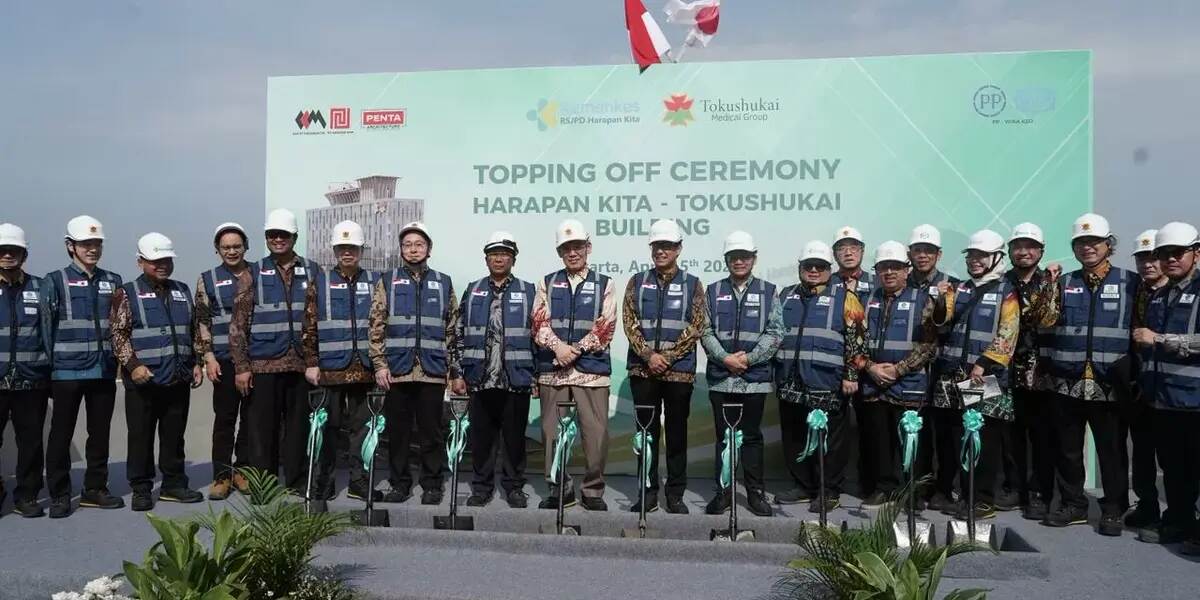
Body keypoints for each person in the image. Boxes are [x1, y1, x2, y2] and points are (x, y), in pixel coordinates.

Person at [1036, 212, 1138, 536]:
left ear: (1108, 245)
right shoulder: (1064, 282)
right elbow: (1043, 320)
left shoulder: (1130, 282)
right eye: (1080, 243)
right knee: (1067, 448)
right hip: (1068, 381)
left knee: (1111, 450)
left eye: (1094, 242)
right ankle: (1073, 505)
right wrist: (1049, 284)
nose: (1087, 248)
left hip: (1109, 383)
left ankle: (1113, 509)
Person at [929, 230, 1020, 520]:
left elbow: (1009, 333)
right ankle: (961, 495)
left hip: (984, 377)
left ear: (996, 258)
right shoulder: (961, 288)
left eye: (981, 256)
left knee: (984, 439)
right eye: (971, 255)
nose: (975, 261)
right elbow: (942, 322)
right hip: (953, 374)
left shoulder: (1007, 291)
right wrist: (941, 300)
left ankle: (981, 499)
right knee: (957, 439)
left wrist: (984, 363)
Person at [110, 233, 204, 511]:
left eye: (166, 259)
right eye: (155, 260)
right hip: (143, 380)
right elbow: (118, 334)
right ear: (141, 262)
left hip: (177, 376)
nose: (162, 264)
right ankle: (141, 488)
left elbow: (193, 330)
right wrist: (132, 365)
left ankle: (174, 484)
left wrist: (197, 361)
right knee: (140, 436)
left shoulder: (182, 291)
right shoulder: (126, 293)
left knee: (174, 435)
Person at [229, 208, 320, 494]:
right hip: (262, 367)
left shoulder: (313, 270)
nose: (278, 239)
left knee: (297, 430)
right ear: (267, 238)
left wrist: (314, 361)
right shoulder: (252, 273)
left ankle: (295, 484)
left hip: (300, 367)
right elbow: (238, 325)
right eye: (272, 235)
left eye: (283, 234)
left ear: (294, 236)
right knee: (261, 432)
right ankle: (263, 487)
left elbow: (318, 320)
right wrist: (242, 367)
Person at [774, 240, 867, 513]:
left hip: (827, 382)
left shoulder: (846, 297)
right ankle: (803, 486)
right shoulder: (786, 295)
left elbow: (858, 340)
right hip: (790, 381)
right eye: (808, 266)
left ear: (830, 269)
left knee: (831, 442)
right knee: (794, 437)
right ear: (800, 268)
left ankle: (829, 491)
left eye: (820, 266)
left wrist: (851, 374)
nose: (813, 270)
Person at [369, 221, 457, 505]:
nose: (413, 249)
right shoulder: (387, 280)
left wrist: (452, 367)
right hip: (397, 370)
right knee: (399, 433)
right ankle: (400, 483)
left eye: (419, 244)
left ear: (429, 249)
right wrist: (380, 364)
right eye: (407, 245)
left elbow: (452, 328)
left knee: (432, 432)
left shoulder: (444, 282)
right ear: (401, 250)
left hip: (432, 370)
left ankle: (432, 484)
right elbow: (376, 325)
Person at [43, 215, 125, 518]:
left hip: (102, 371)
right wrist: (49, 370)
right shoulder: (54, 281)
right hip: (65, 373)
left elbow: (119, 326)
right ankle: (60, 494)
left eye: (96, 243)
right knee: (61, 435)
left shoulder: (113, 280)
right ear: (70, 246)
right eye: (85, 244)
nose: (92, 249)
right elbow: (45, 328)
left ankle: (94, 489)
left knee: (99, 434)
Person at [532, 219, 617, 511]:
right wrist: (558, 347)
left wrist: (575, 350)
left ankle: (592, 492)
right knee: (551, 434)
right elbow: (538, 322)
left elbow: (606, 327)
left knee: (595, 435)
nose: (572, 253)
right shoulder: (546, 282)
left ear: (588, 248)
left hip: (591, 373)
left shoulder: (605, 284)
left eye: (577, 246)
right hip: (553, 372)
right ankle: (559, 490)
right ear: (559, 252)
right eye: (566, 248)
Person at [622, 219, 705, 514]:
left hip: (678, 372)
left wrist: (667, 357)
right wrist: (648, 355)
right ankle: (647, 492)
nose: (661, 251)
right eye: (657, 246)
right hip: (643, 371)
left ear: (679, 248)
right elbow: (629, 323)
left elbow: (696, 325)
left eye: (667, 246)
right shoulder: (636, 281)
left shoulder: (693, 284)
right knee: (645, 435)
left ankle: (675, 494)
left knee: (677, 433)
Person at [451, 232, 536, 509]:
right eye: (494, 254)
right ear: (486, 258)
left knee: (514, 440)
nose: (499, 258)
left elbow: (538, 335)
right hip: (480, 378)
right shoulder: (473, 290)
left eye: (505, 254)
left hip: (516, 378)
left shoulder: (529, 291)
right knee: (481, 439)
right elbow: (458, 332)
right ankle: (482, 488)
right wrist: (457, 372)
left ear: (513, 259)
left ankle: (514, 488)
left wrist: (536, 375)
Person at [700, 231, 782, 517]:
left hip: (754, 380)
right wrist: (725, 359)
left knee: (751, 438)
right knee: (723, 438)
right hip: (722, 379)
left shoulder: (769, 291)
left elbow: (775, 332)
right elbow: (705, 331)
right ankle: (723, 492)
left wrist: (747, 359)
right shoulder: (712, 291)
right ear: (726, 260)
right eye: (734, 257)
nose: (739, 261)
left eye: (744, 256)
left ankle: (755, 493)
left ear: (754, 258)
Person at [1133, 221, 1200, 554]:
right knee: (1174, 469)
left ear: (1195, 253)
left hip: (1196, 400)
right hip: (1165, 399)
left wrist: (1160, 339)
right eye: (1163, 254)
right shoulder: (1160, 296)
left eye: (1177, 253)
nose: (1170, 259)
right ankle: (1179, 522)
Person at [857, 241, 939, 508]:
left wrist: (899, 369)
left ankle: (913, 492)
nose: (889, 272)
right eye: (883, 267)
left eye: (895, 267)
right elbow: (854, 341)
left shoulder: (923, 299)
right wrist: (870, 367)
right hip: (874, 383)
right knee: (878, 443)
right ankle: (884, 488)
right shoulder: (866, 300)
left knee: (912, 442)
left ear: (906, 270)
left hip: (910, 384)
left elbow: (929, 344)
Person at [310, 221, 382, 502]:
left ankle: (359, 481)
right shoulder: (321, 282)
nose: (347, 252)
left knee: (363, 430)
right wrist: (312, 362)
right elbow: (309, 325)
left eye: (352, 247)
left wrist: (379, 364)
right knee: (327, 428)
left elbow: (381, 325)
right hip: (330, 370)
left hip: (364, 370)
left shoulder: (376, 281)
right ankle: (323, 481)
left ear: (361, 250)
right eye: (342, 248)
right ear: (335, 250)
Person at [194, 222, 254, 500]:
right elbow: (202, 320)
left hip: (256, 359)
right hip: (223, 360)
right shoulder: (207, 279)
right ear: (217, 250)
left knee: (252, 419)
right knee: (225, 419)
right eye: (226, 247)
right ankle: (221, 475)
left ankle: (243, 471)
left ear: (245, 247)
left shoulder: (259, 274)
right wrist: (208, 357)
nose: (232, 251)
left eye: (236, 246)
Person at [1004, 222, 1057, 520]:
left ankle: (1039, 492)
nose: (1023, 252)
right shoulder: (1001, 283)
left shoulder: (1051, 283)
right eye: (1018, 247)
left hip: (1040, 373)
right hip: (1004, 372)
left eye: (1030, 247)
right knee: (1008, 435)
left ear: (1040, 251)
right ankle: (1013, 487)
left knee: (1041, 435)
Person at [906, 224, 961, 507]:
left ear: (939, 254)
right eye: (918, 250)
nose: (923, 255)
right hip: (908, 372)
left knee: (946, 434)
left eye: (928, 250)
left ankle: (944, 489)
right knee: (917, 433)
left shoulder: (953, 285)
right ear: (910, 253)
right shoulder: (901, 283)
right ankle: (919, 488)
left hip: (941, 371)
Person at [0, 223, 51, 517]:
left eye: (14, 250)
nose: (8, 255)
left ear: (24, 253)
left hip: (31, 381)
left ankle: (27, 496)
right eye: (3, 250)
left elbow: (49, 333)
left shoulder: (41, 288)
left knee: (30, 443)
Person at [1125, 228, 1167, 529]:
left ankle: (1181, 513)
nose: (1147, 264)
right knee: (1141, 452)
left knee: (1174, 456)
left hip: (1172, 389)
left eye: (1153, 258)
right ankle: (1147, 505)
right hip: (1140, 386)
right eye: (1142, 258)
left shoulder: (1180, 293)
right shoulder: (1135, 291)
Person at [830, 226, 876, 296]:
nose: (848, 253)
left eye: (853, 248)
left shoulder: (878, 283)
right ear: (834, 254)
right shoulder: (827, 283)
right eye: (842, 248)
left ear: (862, 251)